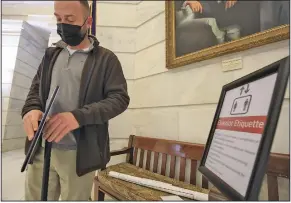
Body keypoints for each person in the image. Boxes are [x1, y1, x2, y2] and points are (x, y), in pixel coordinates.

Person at [21, 0, 130, 201]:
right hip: (41, 148)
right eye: (58, 19)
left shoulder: (106, 59)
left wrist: (77, 117)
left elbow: (119, 99)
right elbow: (35, 91)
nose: (62, 25)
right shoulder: (50, 55)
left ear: (88, 21)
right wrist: (31, 109)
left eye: (70, 19)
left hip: (79, 153)